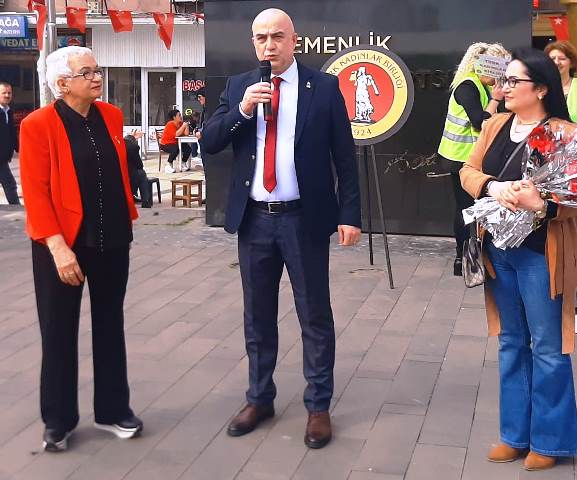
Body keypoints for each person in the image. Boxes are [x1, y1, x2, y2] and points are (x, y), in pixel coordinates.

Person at [201, 8, 361, 449]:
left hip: (303, 219)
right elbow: (210, 140)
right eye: (261, 38)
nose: (269, 45)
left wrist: (350, 214)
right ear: (253, 43)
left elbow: (344, 157)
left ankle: (318, 406)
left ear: (294, 40)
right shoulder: (238, 86)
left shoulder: (323, 87)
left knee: (314, 313)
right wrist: (243, 109)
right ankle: (259, 398)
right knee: (257, 316)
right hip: (255, 219)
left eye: (277, 36)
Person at [19, 46, 143, 452]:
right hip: (62, 243)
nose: (97, 78)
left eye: (96, 70)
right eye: (86, 73)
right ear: (62, 84)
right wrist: (57, 247)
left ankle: (113, 409)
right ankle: (58, 420)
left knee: (110, 325)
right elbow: (35, 191)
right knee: (58, 331)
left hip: (112, 238)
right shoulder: (38, 125)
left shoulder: (111, 115)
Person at [460, 48, 577, 472]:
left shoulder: (563, 133)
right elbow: (467, 170)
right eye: (503, 80)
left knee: (548, 346)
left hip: (540, 253)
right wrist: (492, 187)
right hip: (498, 251)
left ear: (541, 89)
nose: (503, 88)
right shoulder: (495, 125)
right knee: (511, 342)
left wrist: (541, 205)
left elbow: (572, 196)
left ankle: (551, 440)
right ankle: (515, 435)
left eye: (513, 81)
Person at [437, 43, 510, 276]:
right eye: (497, 71)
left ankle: (472, 257)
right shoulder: (467, 86)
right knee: (465, 208)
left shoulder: (480, 85)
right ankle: (462, 259)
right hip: (459, 157)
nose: (499, 78)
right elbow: (480, 122)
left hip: (471, 158)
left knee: (474, 207)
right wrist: (495, 100)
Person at [545, 40, 577, 122]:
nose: (556, 62)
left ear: (572, 63)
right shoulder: (540, 88)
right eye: (552, 59)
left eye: (562, 59)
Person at [0, 81, 21, 205]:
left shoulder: (8, 110)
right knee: (10, 184)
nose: (7, 95)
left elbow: (11, 132)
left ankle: (15, 206)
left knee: (9, 184)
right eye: (4, 93)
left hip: (3, 158)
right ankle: (16, 207)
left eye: (9, 93)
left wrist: (18, 148)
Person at [124, 131, 152, 207]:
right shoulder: (133, 147)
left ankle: (133, 196)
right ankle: (145, 201)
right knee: (141, 173)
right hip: (130, 173)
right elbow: (139, 165)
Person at [160, 109, 192, 173]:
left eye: (181, 115)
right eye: (179, 115)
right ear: (174, 117)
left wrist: (186, 125)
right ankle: (168, 165)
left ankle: (183, 163)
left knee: (188, 149)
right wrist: (183, 126)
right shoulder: (170, 124)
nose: (181, 117)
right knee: (175, 149)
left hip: (176, 142)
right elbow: (176, 134)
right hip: (166, 144)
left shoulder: (181, 123)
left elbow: (186, 134)